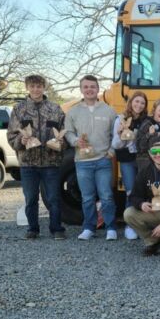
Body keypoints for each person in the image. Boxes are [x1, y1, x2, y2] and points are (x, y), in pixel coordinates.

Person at [6, 74, 66, 240]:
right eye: (32, 86)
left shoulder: (55, 109)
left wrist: (60, 142)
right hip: (28, 163)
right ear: (27, 88)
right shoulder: (19, 110)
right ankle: (33, 229)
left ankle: (57, 229)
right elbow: (11, 135)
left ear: (43, 87)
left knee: (54, 197)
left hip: (51, 162)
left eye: (39, 86)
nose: (36, 89)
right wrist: (21, 140)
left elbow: (65, 134)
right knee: (31, 198)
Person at [64, 75, 118, 241]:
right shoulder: (73, 111)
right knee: (87, 197)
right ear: (81, 89)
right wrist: (75, 141)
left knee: (106, 196)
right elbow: (68, 132)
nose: (89, 90)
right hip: (82, 162)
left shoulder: (109, 110)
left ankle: (111, 228)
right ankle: (89, 227)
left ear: (98, 88)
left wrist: (112, 151)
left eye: (92, 87)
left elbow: (116, 134)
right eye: (86, 87)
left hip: (103, 160)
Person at [112, 91, 148, 240]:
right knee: (131, 191)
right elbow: (115, 144)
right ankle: (130, 226)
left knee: (145, 191)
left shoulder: (146, 121)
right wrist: (121, 134)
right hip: (127, 160)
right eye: (136, 101)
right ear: (131, 102)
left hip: (143, 160)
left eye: (142, 103)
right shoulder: (121, 119)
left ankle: (143, 224)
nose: (139, 105)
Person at [136, 99, 160, 169]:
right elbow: (139, 147)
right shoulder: (147, 124)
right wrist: (149, 134)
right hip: (147, 164)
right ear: (154, 111)